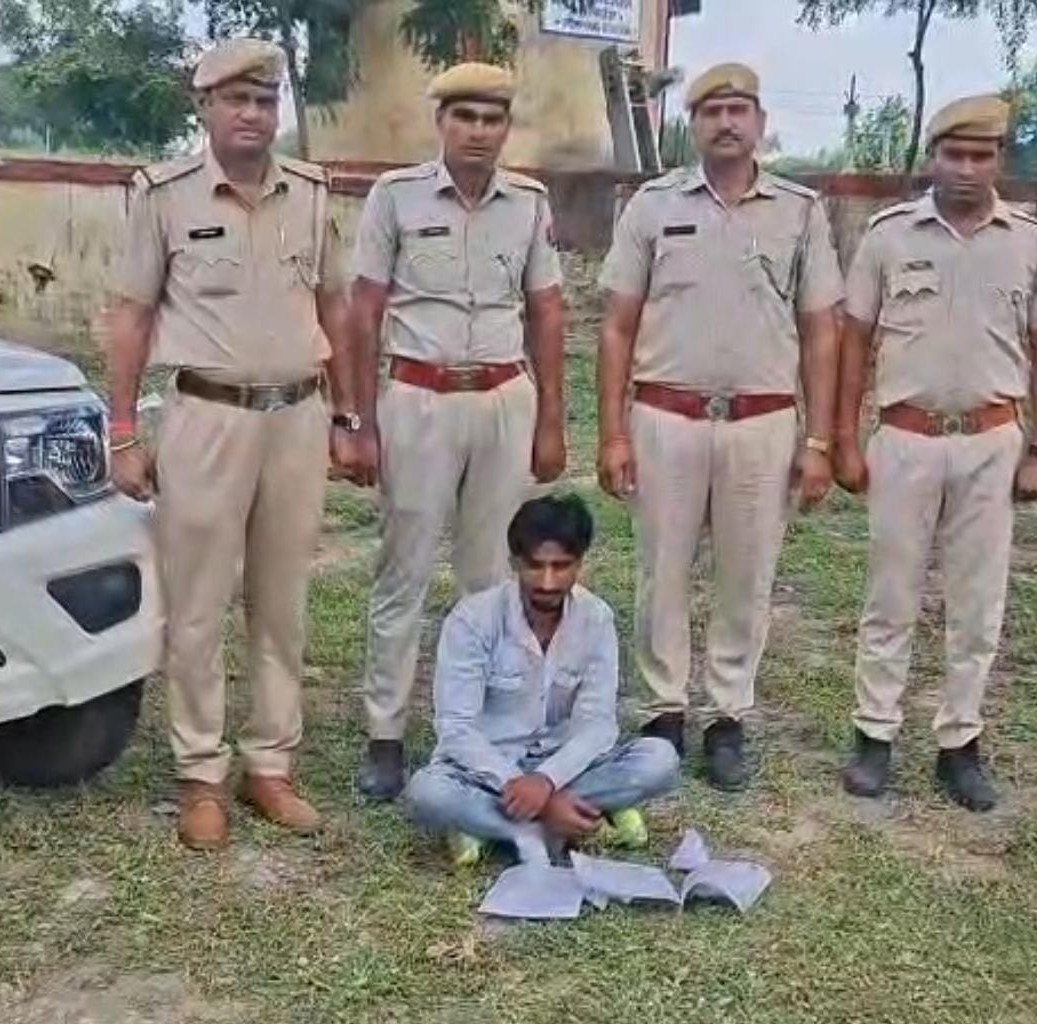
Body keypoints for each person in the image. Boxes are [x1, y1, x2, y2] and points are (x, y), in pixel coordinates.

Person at [106, 39, 362, 850]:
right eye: (235, 100)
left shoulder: (311, 195)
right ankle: (200, 774)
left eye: (264, 100)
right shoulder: (163, 195)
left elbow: (336, 307)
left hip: (297, 417)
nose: (252, 114)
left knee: (282, 603)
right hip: (205, 417)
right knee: (197, 605)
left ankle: (270, 765)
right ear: (205, 107)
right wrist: (122, 431)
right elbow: (131, 315)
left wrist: (350, 418)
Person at [596, 63, 843, 791]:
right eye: (711, 111)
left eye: (738, 110)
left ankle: (727, 716)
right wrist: (612, 433)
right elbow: (617, 326)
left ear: (760, 122)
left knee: (747, 574)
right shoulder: (652, 206)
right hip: (665, 417)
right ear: (693, 124)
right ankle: (664, 711)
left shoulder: (799, 212)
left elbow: (821, 331)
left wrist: (820, 440)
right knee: (661, 572)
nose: (726, 122)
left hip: (760, 423)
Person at [834, 95, 1037, 812]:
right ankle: (874, 735)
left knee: (977, 603)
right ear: (931, 159)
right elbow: (853, 341)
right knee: (891, 596)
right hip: (905, 438)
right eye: (954, 154)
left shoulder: (1028, 242)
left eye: (981, 155)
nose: (967, 169)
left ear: (999, 160)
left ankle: (959, 744)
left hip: (991, 442)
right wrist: (843, 437)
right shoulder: (888, 235)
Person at [348, 62, 567, 801]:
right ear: (440, 122)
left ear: (507, 127)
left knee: (492, 577)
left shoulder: (528, 204)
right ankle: (385, 734)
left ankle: (483, 730)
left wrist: (551, 421)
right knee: (403, 570)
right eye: (464, 117)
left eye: (492, 118)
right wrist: (357, 420)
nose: (478, 131)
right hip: (419, 397)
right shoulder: (396, 196)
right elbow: (363, 309)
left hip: (503, 398)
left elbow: (546, 312)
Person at [405, 494, 680, 866]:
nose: (548, 582)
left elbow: (598, 725)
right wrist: (533, 795)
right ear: (514, 563)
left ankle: (489, 824)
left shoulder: (596, 619)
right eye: (535, 566)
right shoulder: (472, 620)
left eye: (561, 566)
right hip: (490, 772)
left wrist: (548, 781)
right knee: (427, 792)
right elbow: (456, 729)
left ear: (580, 563)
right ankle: (542, 826)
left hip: (565, 767)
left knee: (660, 759)